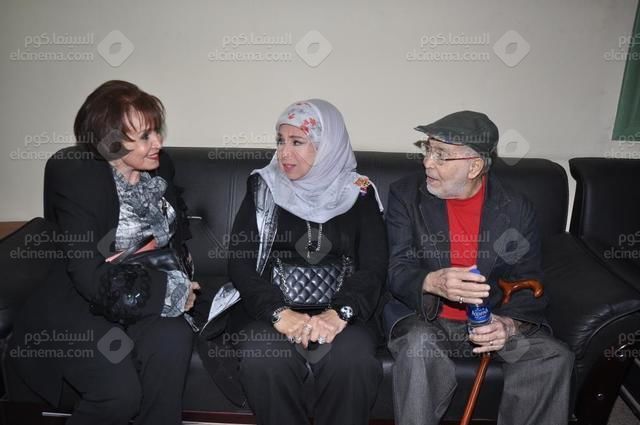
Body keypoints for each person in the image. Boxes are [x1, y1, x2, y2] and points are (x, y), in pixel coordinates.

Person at [8, 80, 198, 425]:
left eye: (156, 131)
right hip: (82, 303)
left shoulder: (161, 167)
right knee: (120, 394)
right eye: (144, 136)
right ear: (111, 141)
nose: (158, 143)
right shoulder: (81, 177)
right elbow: (89, 276)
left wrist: (179, 276)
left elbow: (173, 240)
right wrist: (171, 291)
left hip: (139, 294)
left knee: (173, 337)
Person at [383, 111, 574, 425]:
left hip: (489, 319)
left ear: (474, 166)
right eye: (428, 149)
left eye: (441, 154)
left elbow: (527, 279)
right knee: (419, 347)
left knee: (552, 357)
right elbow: (397, 268)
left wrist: (508, 325)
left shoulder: (515, 208)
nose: (427, 162)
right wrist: (431, 282)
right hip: (425, 319)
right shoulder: (406, 196)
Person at [225, 99, 387, 425]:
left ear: (327, 146)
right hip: (271, 310)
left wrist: (340, 313)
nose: (284, 153)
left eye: (297, 142)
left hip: (343, 313)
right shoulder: (263, 186)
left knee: (352, 360)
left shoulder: (359, 192)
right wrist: (278, 313)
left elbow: (373, 266)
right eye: (280, 141)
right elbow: (240, 262)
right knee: (264, 358)